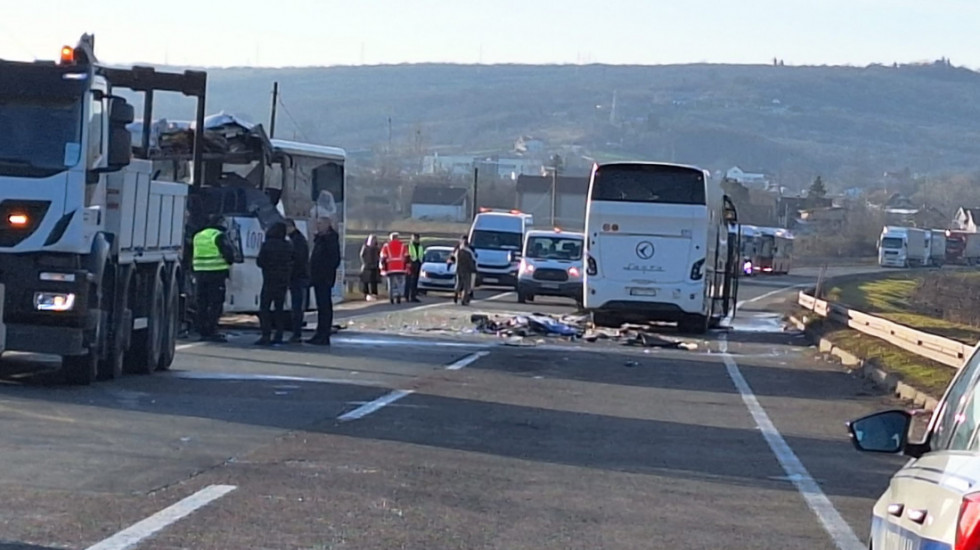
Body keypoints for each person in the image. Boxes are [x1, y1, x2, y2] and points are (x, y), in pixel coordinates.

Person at [192, 215, 237, 342]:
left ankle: (202, 330)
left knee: (202, 303)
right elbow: (228, 253)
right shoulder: (218, 235)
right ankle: (212, 330)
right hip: (216, 274)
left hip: (200, 273)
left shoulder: (198, 235)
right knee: (215, 303)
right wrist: (230, 261)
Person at [255, 222, 294, 345]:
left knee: (265, 308)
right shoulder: (288, 245)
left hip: (269, 279)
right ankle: (279, 334)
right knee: (279, 309)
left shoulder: (267, 245)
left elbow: (260, 261)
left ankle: (266, 334)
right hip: (282, 281)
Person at [309, 216, 342, 345]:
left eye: (320, 223)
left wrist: (323, 271)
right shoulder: (321, 239)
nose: (318, 226)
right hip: (319, 277)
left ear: (327, 225)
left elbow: (334, 260)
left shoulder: (330, 240)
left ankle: (324, 334)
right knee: (321, 307)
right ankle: (320, 333)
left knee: (324, 307)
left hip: (324, 278)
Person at [285, 219, 310, 344]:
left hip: (298, 277)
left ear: (291, 227)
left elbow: (298, 260)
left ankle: (296, 333)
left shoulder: (296, 241)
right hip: (300, 277)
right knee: (297, 306)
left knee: (297, 306)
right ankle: (296, 332)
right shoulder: (298, 239)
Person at [380, 232, 409, 304]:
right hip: (401, 268)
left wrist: (382, 268)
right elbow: (407, 257)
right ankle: (399, 296)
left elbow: (383, 258)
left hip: (390, 268)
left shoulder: (386, 246)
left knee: (391, 284)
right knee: (400, 283)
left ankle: (391, 298)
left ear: (390, 238)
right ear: (397, 238)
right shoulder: (403, 246)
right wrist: (407, 267)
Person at [448, 234, 477, 306]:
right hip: (467, 270)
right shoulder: (470, 250)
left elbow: (452, 257)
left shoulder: (457, 249)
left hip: (458, 268)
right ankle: (464, 300)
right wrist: (474, 269)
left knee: (459, 283)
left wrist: (450, 263)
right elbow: (473, 259)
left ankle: (456, 293)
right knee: (466, 285)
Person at [359, 234, 381, 301]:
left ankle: (374, 294)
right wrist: (365, 263)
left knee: (374, 281)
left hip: (374, 266)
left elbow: (379, 256)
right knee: (366, 281)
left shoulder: (377, 248)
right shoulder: (365, 247)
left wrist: (377, 262)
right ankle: (366, 293)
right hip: (367, 267)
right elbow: (362, 255)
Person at [406, 233, 424, 303]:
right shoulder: (409, 246)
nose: (416, 239)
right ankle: (407, 296)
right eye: (414, 238)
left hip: (417, 263)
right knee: (409, 281)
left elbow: (421, 254)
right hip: (411, 264)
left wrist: (420, 261)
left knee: (415, 281)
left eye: (417, 238)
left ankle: (413, 296)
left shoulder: (420, 246)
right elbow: (407, 255)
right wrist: (408, 263)